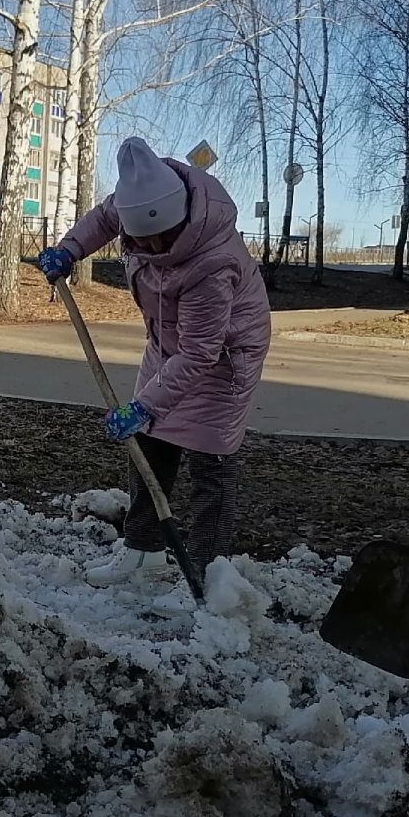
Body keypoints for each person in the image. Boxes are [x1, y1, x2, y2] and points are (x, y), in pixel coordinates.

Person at [35, 137, 271, 586]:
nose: (148, 248)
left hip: (225, 355)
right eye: (137, 240)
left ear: (178, 220)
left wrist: (145, 405)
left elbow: (200, 351)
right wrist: (69, 251)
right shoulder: (138, 195)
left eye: (157, 239)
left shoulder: (213, 264)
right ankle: (143, 553)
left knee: (210, 462)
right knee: (148, 441)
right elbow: (105, 218)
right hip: (168, 342)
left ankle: (208, 578)